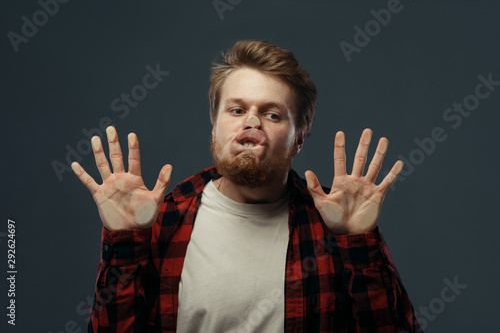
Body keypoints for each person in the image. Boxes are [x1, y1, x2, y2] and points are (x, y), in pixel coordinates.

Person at [71, 40, 422, 332]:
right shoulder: (163, 219)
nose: (252, 122)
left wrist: (360, 244)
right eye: (237, 110)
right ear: (214, 126)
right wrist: (124, 243)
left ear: (298, 139)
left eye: (272, 114)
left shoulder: (333, 226)